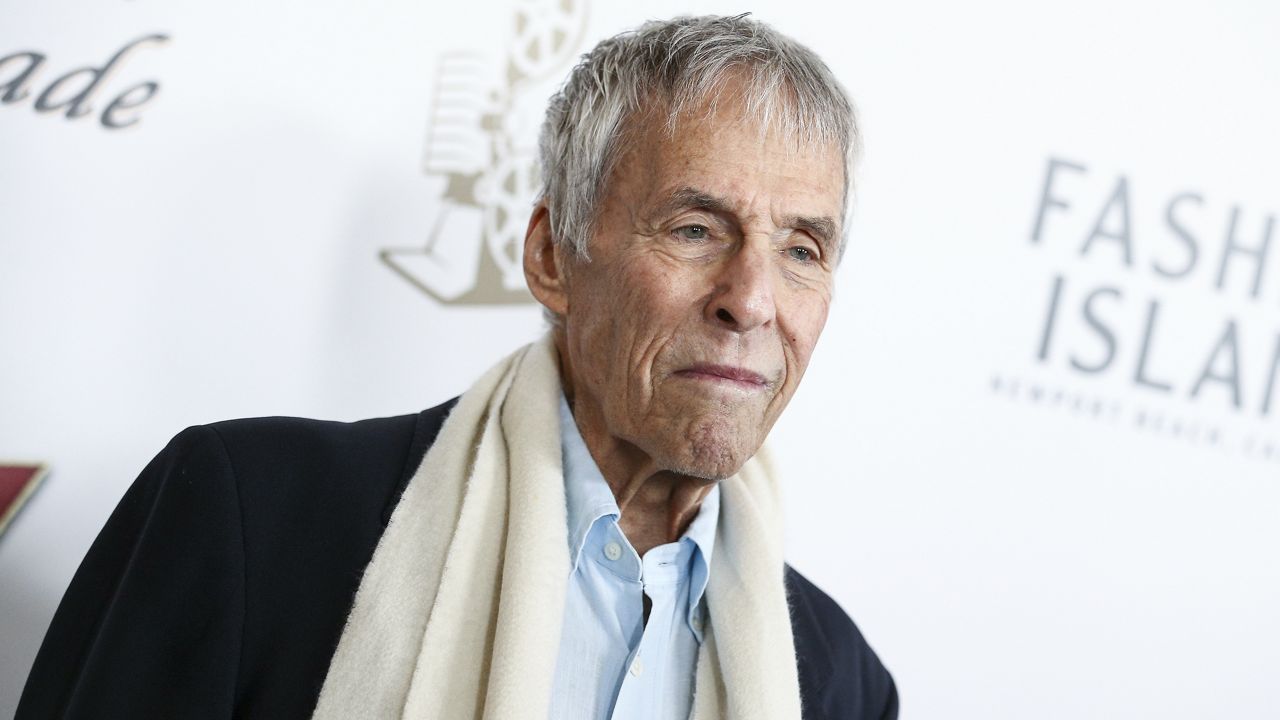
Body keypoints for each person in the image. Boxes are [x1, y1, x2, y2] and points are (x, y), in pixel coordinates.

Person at [17, 14, 897, 720]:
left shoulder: (840, 685)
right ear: (552, 257)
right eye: (696, 229)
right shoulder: (250, 521)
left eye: (802, 250)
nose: (751, 300)